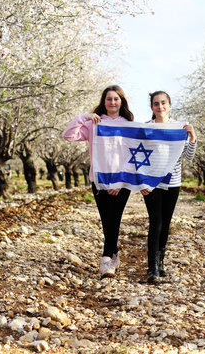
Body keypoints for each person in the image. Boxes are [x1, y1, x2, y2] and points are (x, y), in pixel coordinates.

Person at [63, 85, 134, 277]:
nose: (112, 102)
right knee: (106, 219)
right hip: (99, 179)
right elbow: (68, 135)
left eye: (116, 99)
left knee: (115, 218)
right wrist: (84, 117)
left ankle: (106, 260)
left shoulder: (128, 125)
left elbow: (130, 156)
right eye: (109, 99)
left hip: (121, 181)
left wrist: (120, 181)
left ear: (121, 102)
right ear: (104, 102)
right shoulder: (94, 124)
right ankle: (114, 254)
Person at [140, 90, 197, 283]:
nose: (160, 106)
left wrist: (192, 137)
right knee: (155, 221)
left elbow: (188, 157)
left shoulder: (179, 127)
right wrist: (141, 181)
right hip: (151, 183)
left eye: (163, 103)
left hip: (173, 182)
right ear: (152, 108)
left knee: (166, 222)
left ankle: (160, 262)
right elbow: (138, 155)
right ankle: (151, 268)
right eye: (156, 103)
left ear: (170, 105)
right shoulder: (145, 128)